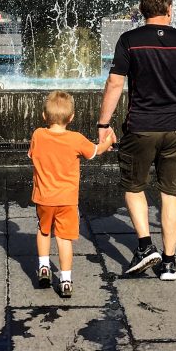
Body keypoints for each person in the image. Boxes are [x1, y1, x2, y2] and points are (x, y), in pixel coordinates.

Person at [97, 0, 176, 281]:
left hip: (141, 126)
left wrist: (103, 124)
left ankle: (145, 245)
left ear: (141, 9)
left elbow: (114, 83)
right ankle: (170, 262)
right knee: (171, 193)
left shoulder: (129, 40)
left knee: (134, 187)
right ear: (170, 8)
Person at [28, 90, 114, 298]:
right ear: (72, 117)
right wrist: (109, 141)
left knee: (44, 230)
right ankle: (65, 280)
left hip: (44, 197)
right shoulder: (76, 139)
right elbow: (96, 151)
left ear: (44, 116)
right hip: (67, 200)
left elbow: (32, 155)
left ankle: (44, 267)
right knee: (64, 239)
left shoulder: (38, 135)